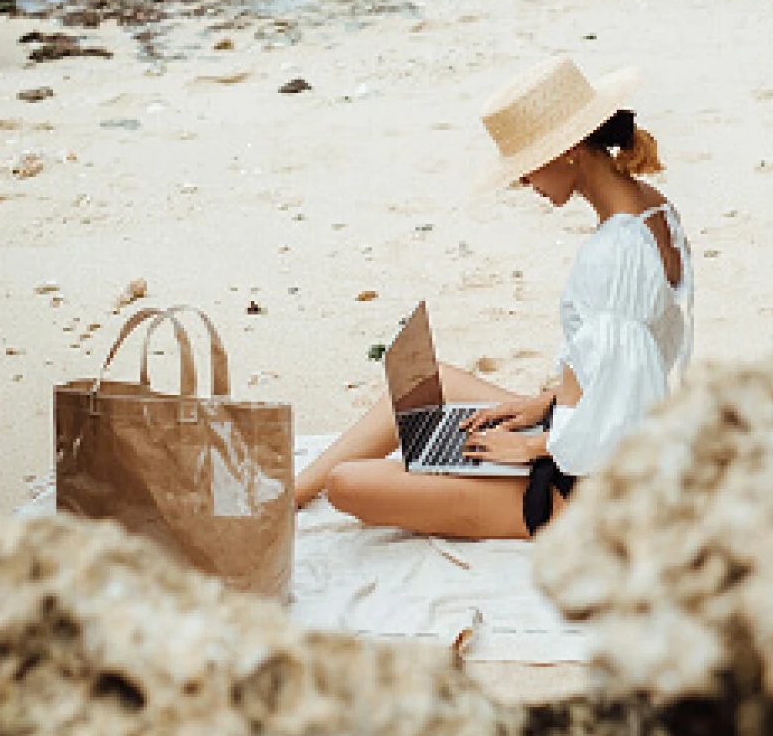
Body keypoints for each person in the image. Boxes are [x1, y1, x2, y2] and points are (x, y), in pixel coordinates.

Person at [294, 54, 694, 540]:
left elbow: (624, 405)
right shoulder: (654, 210)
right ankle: (289, 494)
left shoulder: (613, 252)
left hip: (585, 488)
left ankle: (295, 496)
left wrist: (533, 447)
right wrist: (543, 404)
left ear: (569, 152)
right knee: (437, 382)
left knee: (347, 484)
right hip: (584, 437)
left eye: (527, 166)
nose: (524, 182)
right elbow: (635, 366)